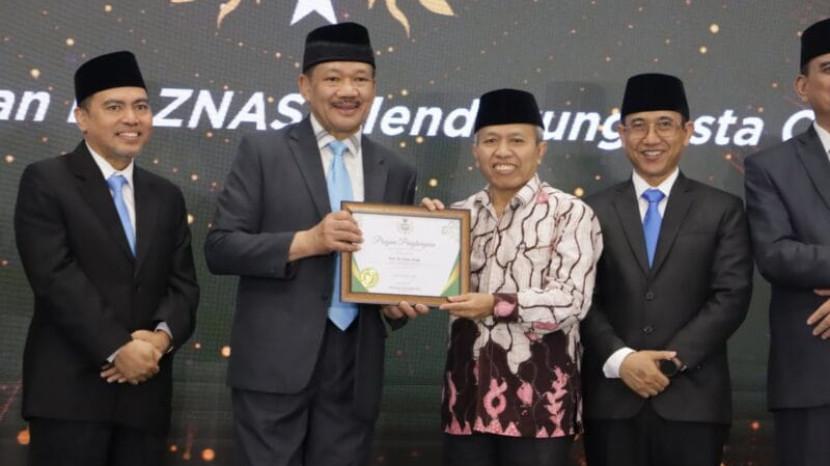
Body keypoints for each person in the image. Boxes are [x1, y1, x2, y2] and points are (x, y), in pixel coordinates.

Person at [204, 22, 418, 466]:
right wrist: (307, 241)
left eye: (360, 79)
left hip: (354, 369)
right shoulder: (262, 151)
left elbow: (391, 273)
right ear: (305, 85)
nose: (348, 91)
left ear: (374, 88)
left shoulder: (396, 168)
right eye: (333, 78)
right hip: (274, 364)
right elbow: (221, 247)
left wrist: (397, 304)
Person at [13, 51, 199, 466]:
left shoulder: (166, 195)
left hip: (145, 396)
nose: (131, 118)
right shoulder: (47, 180)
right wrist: (118, 348)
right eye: (114, 107)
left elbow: (184, 286)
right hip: (70, 397)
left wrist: (159, 341)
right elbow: (55, 277)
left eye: (141, 107)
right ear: (82, 117)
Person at [419, 88, 602, 466]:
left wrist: (495, 304)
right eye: (490, 141)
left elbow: (571, 302)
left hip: (539, 409)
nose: (502, 152)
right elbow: (430, 289)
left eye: (516, 140)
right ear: (475, 151)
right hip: (465, 405)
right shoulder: (458, 216)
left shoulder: (570, 213)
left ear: (540, 149)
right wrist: (423, 235)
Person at [580, 73, 753, 466]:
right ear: (622, 134)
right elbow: (580, 298)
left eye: (664, 124)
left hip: (694, 402)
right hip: (612, 401)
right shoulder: (590, 210)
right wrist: (622, 359)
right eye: (638, 125)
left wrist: (670, 361)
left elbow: (731, 296)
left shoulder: (722, 209)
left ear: (686, 131)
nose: (651, 138)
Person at [744, 18, 830, 466]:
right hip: (812, 375)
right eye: (829, 68)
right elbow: (776, 254)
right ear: (802, 85)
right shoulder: (771, 166)